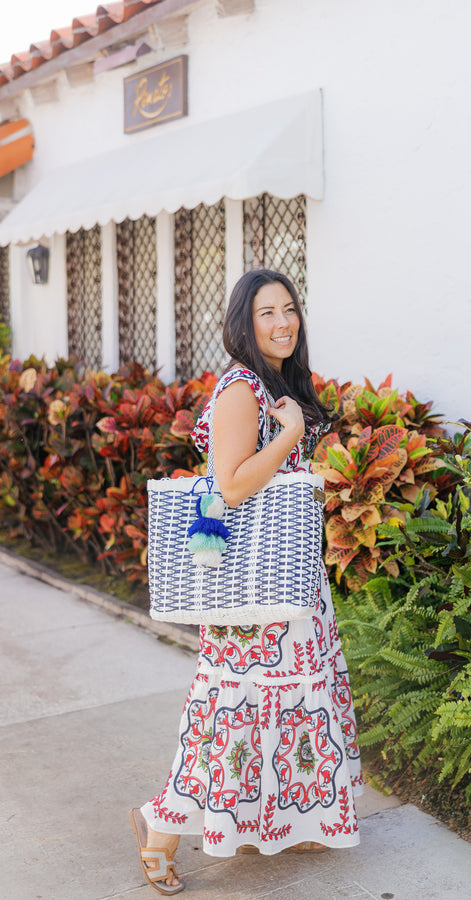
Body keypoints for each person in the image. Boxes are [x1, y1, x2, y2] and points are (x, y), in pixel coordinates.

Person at [130, 269, 363, 894]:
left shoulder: (280, 382)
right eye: (267, 313)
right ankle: (159, 826)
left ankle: (286, 819)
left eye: (289, 309)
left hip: (289, 579)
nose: (283, 322)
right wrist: (290, 433)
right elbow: (230, 486)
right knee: (229, 712)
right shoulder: (241, 389)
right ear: (243, 322)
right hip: (250, 589)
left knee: (288, 707)